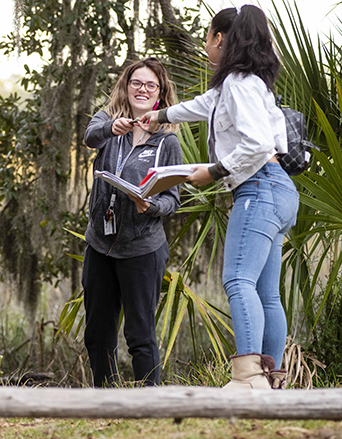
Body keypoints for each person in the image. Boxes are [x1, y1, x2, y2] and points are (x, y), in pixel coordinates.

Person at [143, 5, 298, 389]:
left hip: (258, 187)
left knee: (237, 280)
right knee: (266, 293)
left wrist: (212, 171)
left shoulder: (238, 84)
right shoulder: (251, 84)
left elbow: (258, 145)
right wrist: (158, 117)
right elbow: (201, 106)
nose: (207, 46)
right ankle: (272, 379)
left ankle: (248, 379)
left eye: (208, 37)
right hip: (278, 190)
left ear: (220, 39)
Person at [83, 57, 183, 387]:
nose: (142, 89)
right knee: (98, 334)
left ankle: (149, 406)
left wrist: (151, 204)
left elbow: (173, 200)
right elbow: (89, 137)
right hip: (100, 244)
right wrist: (110, 128)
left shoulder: (167, 142)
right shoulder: (108, 122)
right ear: (126, 88)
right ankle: (105, 400)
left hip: (142, 250)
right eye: (136, 83)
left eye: (150, 85)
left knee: (140, 335)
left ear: (160, 94)